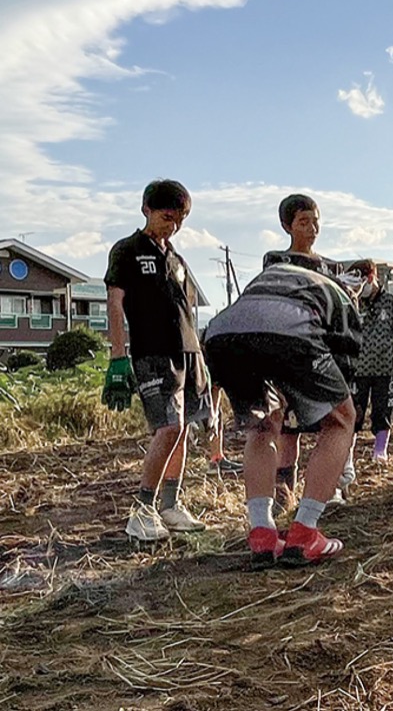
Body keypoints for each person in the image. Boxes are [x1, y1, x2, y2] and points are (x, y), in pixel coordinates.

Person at [204, 261, 367, 567]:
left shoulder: (281, 275)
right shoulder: (343, 299)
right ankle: (305, 532)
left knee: (263, 426)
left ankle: (262, 534)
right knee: (342, 419)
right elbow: (343, 369)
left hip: (221, 333)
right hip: (288, 330)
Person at [103, 179, 212, 541]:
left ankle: (170, 504)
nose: (173, 226)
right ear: (146, 210)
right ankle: (142, 509)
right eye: (167, 217)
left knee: (184, 429)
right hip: (153, 352)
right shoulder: (128, 250)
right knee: (168, 428)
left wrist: (202, 360)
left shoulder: (177, 260)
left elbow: (188, 311)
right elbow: (115, 303)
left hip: (188, 352)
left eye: (180, 220)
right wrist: (118, 357)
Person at [262, 194, 357, 505]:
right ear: (287, 225)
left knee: (332, 421)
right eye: (303, 222)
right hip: (289, 351)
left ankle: (329, 488)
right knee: (289, 427)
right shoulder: (277, 260)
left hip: (325, 351)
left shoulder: (331, 266)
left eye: (315, 221)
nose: (312, 228)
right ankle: (283, 491)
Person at [350, 260, 393, 462]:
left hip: (385, 368)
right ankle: (347, 456)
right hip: (358, 370)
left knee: (383, 412)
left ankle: (380, 451)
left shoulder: (392, 302)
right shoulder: (353, 302)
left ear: (371, 277)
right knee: (353, 414)